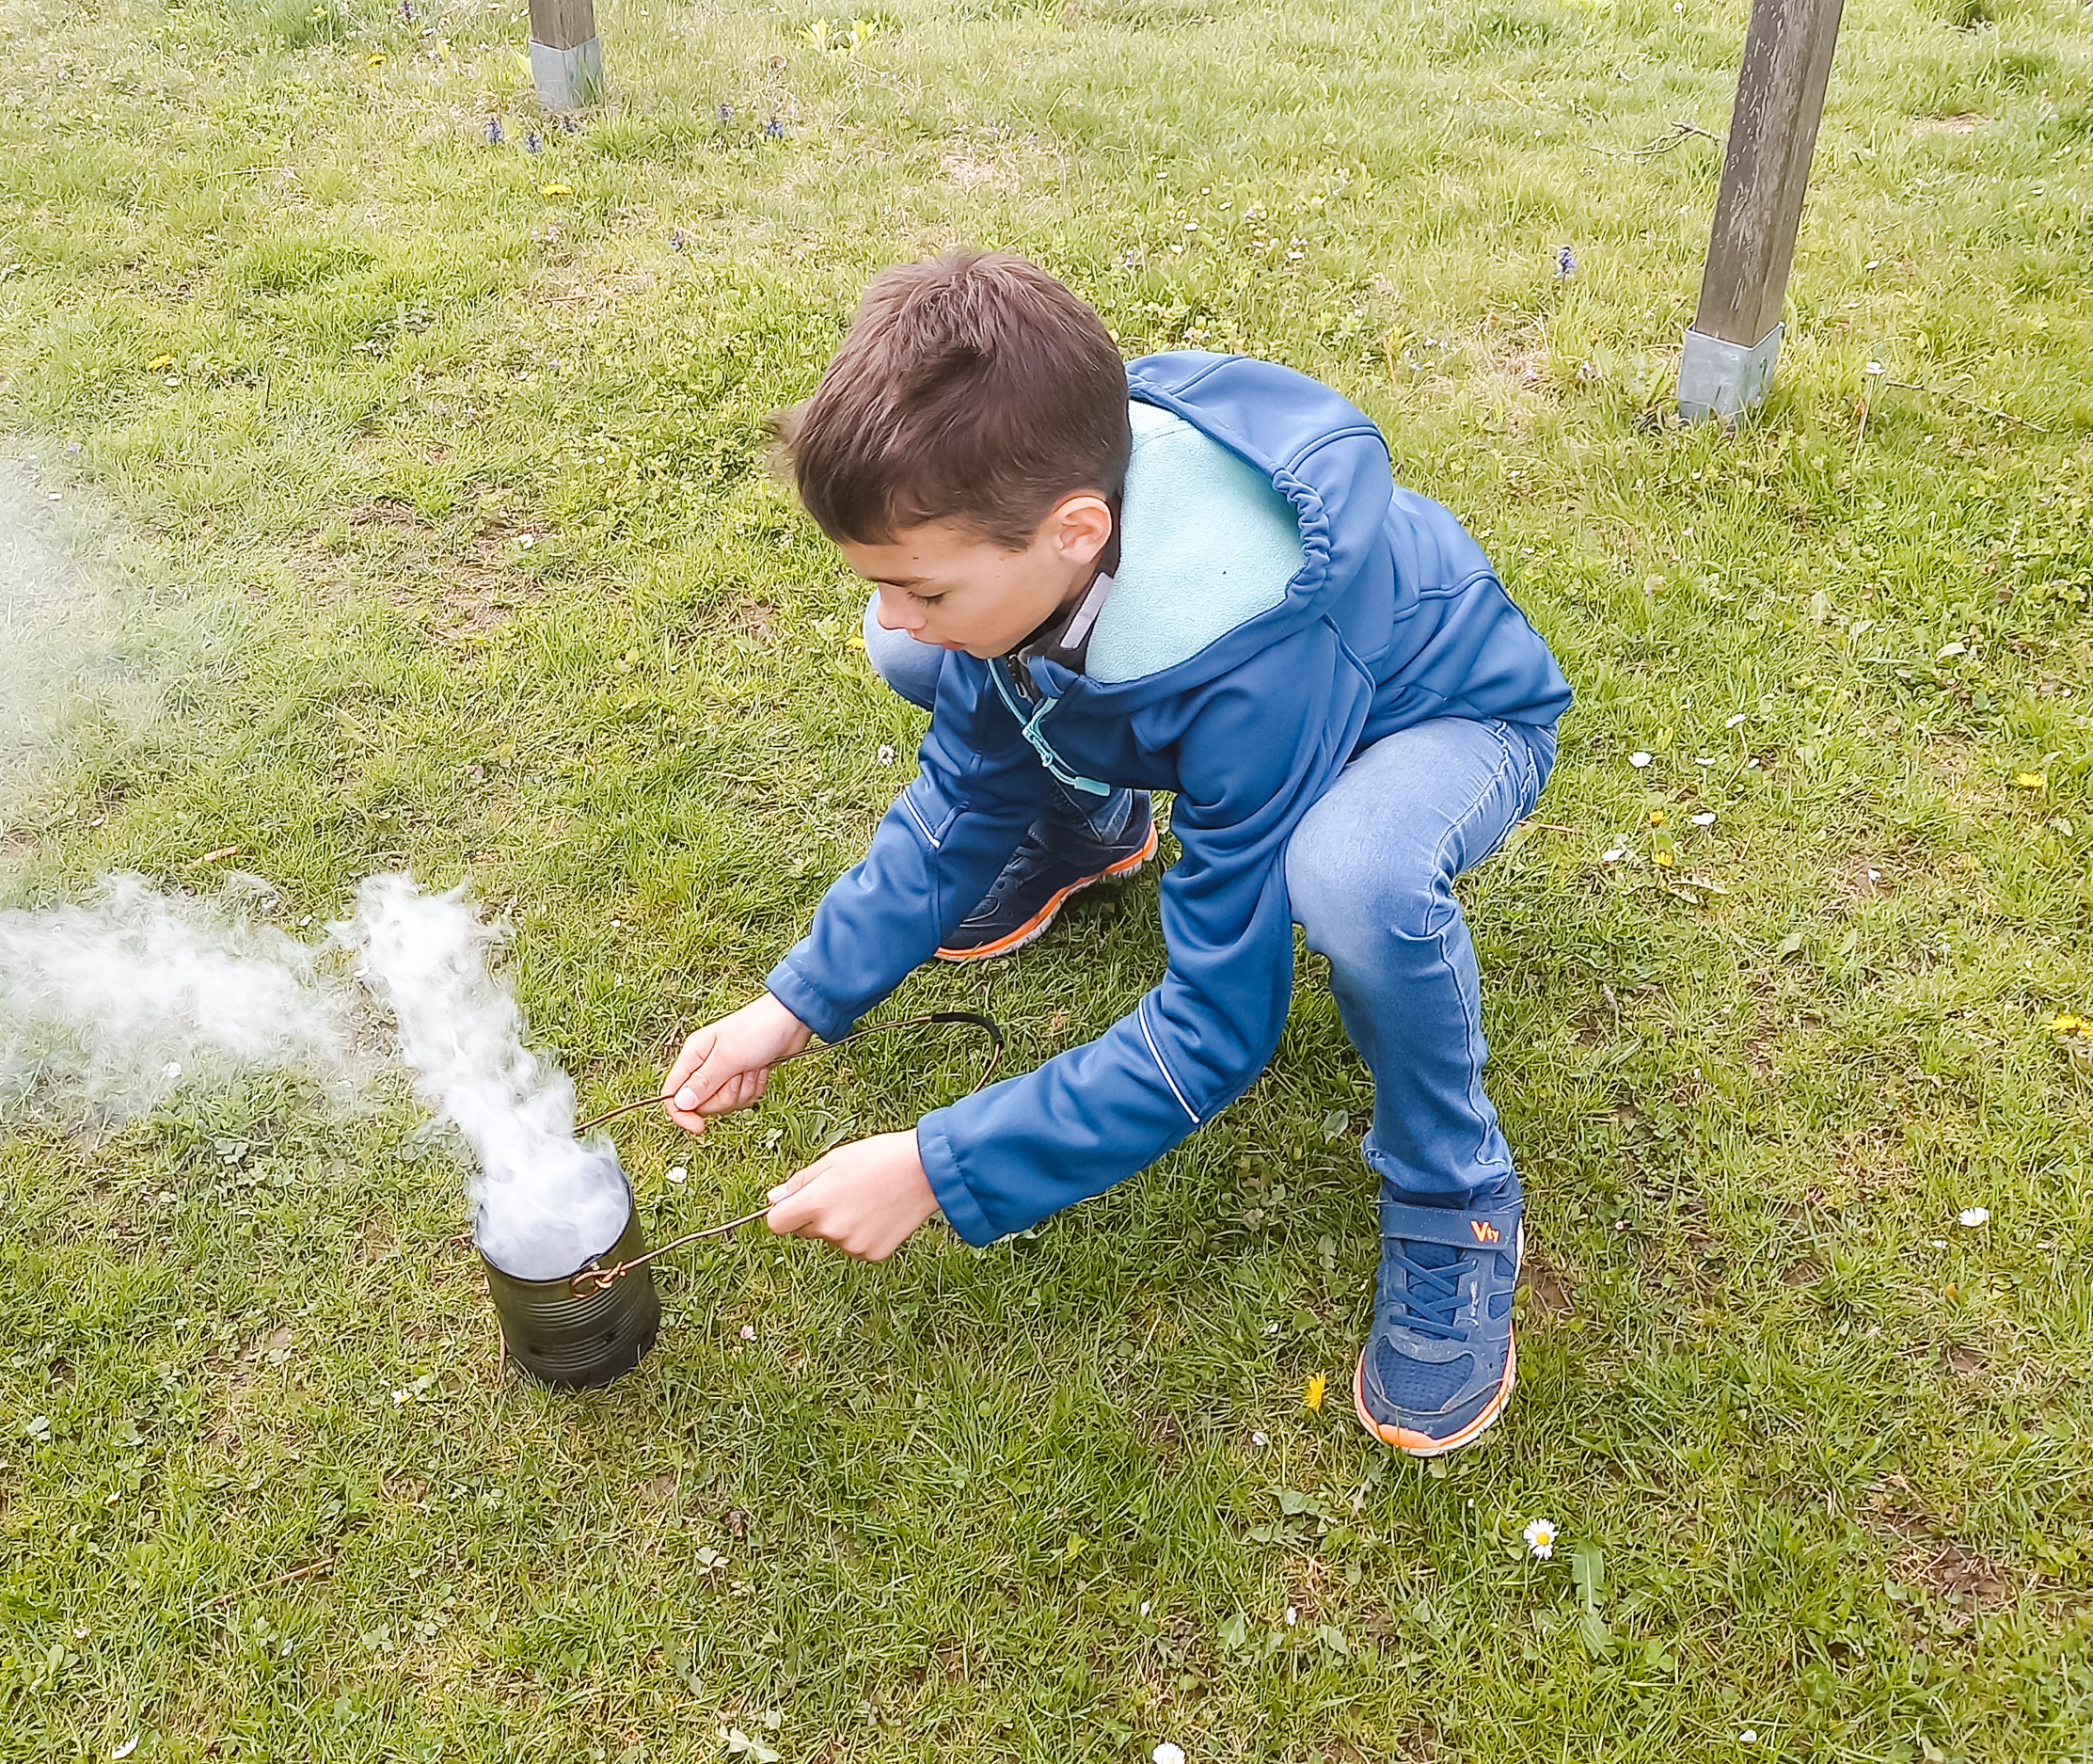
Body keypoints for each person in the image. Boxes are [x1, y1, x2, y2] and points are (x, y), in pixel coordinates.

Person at [659, 252, 1569, 1456]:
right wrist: (793, 1005)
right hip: (1200, 690)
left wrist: (938, 1168)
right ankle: (1090, 829)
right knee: (929, 666)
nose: (887, 608)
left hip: (1438, 722)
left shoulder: (1246, 662)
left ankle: (1452, 1190)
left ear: (1077, 533)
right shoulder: (1035, 537)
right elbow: (952, 809)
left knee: (1349, 878)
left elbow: (1213, 1029)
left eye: (917, 584)